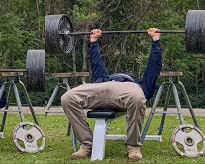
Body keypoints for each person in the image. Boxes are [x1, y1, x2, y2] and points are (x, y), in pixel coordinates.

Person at [61, 28, 162, 161]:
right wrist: (93, 42)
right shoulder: (105, 78)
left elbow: (153, 69)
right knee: (67, 98)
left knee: (138, 98)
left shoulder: (139, 84)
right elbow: (97, 66)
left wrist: (156, 41)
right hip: (102, 87)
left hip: (128, 90)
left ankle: (133, 147)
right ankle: (86, 144)